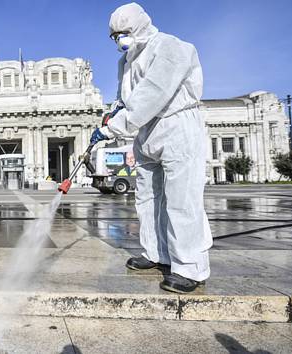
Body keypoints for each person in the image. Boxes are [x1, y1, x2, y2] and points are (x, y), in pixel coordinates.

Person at [90, 2, 212, 293]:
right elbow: (126, 98)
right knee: (148, 196)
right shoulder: (126, 61)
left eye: (124, 32)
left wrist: (112, 128)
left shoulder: (171, 47)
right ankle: (158, 254)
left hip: (175, 125)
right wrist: (112, 112)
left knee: (182, 198)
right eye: (115, 35)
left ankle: (191, 268)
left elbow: (152, 94)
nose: (120, 39)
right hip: (146, 132)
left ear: (139, 26)